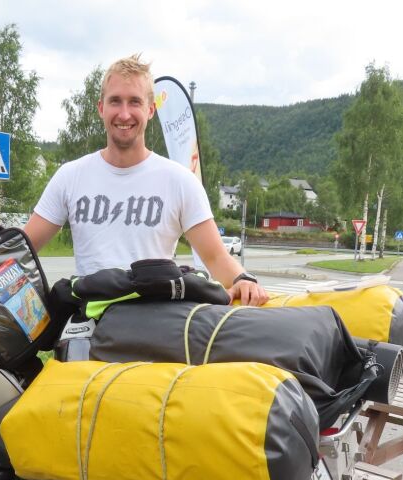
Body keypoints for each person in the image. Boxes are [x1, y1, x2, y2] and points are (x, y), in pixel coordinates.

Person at [23, 55, 268, 306]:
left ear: (150, 110)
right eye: (115, 101)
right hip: (89, 333)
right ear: (101, 108)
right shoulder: (70, 176)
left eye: (135, 102)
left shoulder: (179, 181)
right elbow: (23, 249)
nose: (125, 114)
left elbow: (215, 256)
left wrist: (243, 278)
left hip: (156, 330)